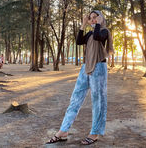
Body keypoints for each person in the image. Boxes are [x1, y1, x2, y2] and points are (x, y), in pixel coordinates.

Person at [47, 10, 114, 145]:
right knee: (75, 98)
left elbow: (97, 37)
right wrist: (83, 24)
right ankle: (63, 131)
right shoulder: (90, 32)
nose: (93, 20)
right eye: (91, 18)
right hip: (86, 67)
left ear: (101, 18)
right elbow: (78, 41)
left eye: (95, 17)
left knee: (98, 101)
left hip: (99, 68)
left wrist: (97, 24)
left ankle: (94, 133)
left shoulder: (104, 31)